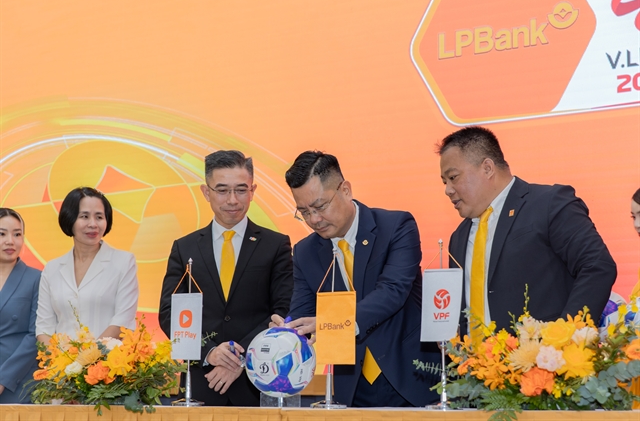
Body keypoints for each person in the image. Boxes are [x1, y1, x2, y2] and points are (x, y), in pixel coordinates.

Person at [270, 151, 440, 407]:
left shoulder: (396, 226)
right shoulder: (305, 252)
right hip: (351, 389)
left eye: (320, 206)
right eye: (303, 212)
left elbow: (392, 291)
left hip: (410, 376)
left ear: (346, 190)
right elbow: (303, 311)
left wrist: (331, 323)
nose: (314, 219)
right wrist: (286, 331)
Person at [438, 126, 617, 339]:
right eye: (444, 182)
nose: (447, 190)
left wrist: (565, 338)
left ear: (487, 168)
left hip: (546, 356)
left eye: (453, 177)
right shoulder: (458, 237)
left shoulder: (549, 203)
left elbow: (597, 266)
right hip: (477, 359)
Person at [158, 150, 293, 406]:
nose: (232, 200)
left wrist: (239, 358)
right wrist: (209, 352)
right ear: (206, 192)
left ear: (253, 191)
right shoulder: (185, 248)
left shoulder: (275, 245)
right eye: (222, 190)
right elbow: (169, 313)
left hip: (257, 380)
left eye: (241, 190)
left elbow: (283, 310)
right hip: (202, 380)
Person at [36, 187, 139, 343]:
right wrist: (59, 356)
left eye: (99, 217)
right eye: (84, 216)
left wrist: (89, 355)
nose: (93, 224)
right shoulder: (51, 269)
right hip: (61, 358)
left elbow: (122, 321)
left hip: (108, 357)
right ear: (69, 219)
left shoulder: (124, 262)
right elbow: (44, 327)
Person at [0, 208, 41, 403]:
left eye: (17, 234)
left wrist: (3, 379)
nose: (10, 241)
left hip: (18, 382)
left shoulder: (36, 278)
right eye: (2, 234)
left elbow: (35, 335)